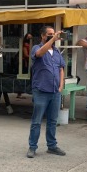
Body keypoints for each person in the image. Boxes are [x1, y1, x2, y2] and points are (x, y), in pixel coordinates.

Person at [27, 26, 66, 159]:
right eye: (49, 34)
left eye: (53, 34)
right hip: (41, 90)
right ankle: (32, 147)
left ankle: (52, 146)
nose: (52, 36)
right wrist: (53, 39)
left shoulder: (57, 51)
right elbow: (39, 54)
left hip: (55, 91)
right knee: (37, 121)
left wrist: (61, 86)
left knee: (52, 121)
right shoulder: (36, 48)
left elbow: (61, 69)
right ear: (43, 36)